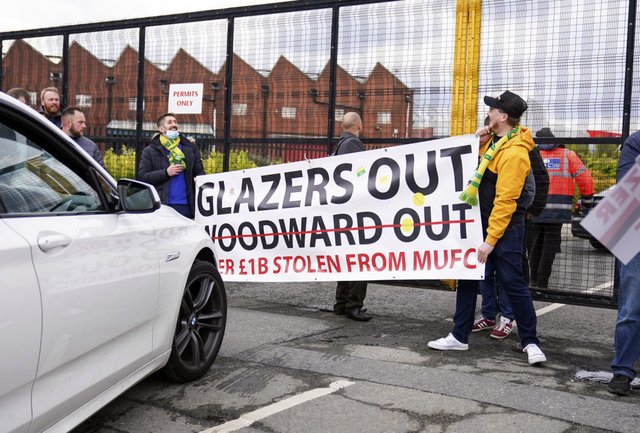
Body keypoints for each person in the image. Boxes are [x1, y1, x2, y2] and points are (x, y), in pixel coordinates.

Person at [428, 90, 546, 365]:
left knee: (513, 284)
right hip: (479, 223)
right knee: (467, 278)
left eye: (493, 110)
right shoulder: (494, 143)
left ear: (503, 117)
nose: (489, 112)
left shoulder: (515, 152)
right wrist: (477, 140)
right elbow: (473, 169)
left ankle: (531, 343)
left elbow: (505, 201)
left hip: (505, 229)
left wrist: (490, 240)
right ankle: (459, 337)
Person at [472, 118, 549, 340]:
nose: (487, 121)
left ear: (502, 119)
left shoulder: (519, 148)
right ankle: (488, 313)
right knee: (485, 271)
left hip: (511, 221)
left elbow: (534, 181)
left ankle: (507, 317)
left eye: (491, 115)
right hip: (484, 220)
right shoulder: (489, 145)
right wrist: (478, 142)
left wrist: (530, 209)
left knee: (509, 275)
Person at [528, 127, 594, 289]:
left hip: (534, 208)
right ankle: (542, 283)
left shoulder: (532, 155)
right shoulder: (567, 155)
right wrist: (586, 201)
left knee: (534, 246)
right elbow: (585, 179)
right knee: (549, 247)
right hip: (558, 210)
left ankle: (533, 282)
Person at [607, 130, 640, 396]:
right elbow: (627, 183)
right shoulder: (637, 140)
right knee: (631, 305)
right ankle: (623, 370)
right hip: (635, 230)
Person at [332, 112, 371, 322]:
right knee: (360, 258)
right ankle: (354, 305)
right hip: (355, 212)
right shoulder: (354, 144)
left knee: (346, 256)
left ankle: (341, 303)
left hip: (343, 212)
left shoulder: (339, 146)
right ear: (360, 124)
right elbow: (359, 174)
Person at [137, 113, 205, 219]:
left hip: (187, 206)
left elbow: (200, 172)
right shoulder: (150, 151)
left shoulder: (189, 148)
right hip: (163, 206)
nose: (174, 124)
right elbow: (143, 177)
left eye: (175, 122)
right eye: (169, 122)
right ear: (161, 129)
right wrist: (166, 173)